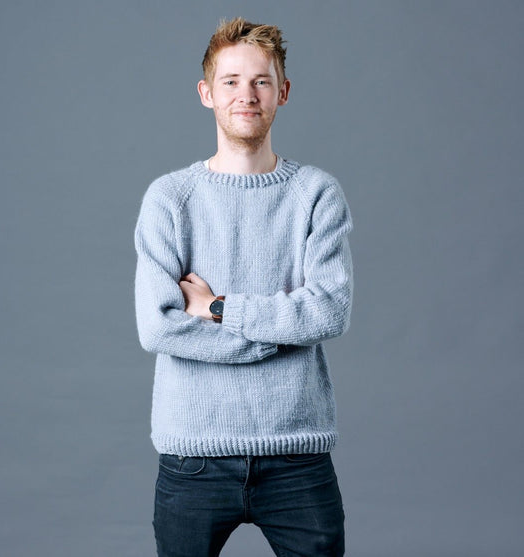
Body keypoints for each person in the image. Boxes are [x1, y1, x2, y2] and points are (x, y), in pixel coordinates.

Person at [134, 16, 353, 557]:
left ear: (283, 91)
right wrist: (276, 335)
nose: (246, 95)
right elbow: (158, 327)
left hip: (297, 456)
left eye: (261, 81)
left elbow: (329, 311)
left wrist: (218, 307)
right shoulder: (170, 199)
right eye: (231, 81)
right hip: (194, 456)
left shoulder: (316, 194)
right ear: (207, 93)